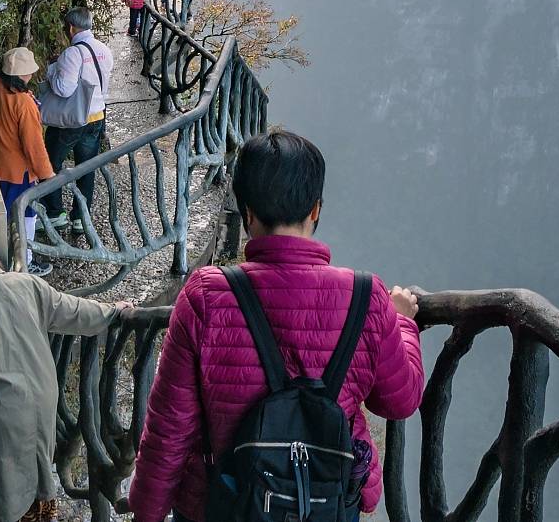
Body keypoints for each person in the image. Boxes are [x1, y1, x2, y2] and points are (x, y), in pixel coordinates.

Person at [127, 130, 425, 522]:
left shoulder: (205, 297)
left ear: (247, 212)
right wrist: (402, 321)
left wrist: (146, 512)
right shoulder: (367, 297)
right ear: (316, 209)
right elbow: (400, 400)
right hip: (322, 503)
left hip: (224, 504)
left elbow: (170, 428)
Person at [0, 233, 128, 522]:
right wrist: (114, 312)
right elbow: (75, 312)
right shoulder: (27, 284)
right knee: (38, 483)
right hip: (41, 407)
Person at [0, 49, 54, 272]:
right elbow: (34, 145)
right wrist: (48, 175)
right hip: (18, 174)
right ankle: (25, 263)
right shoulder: (24, 103)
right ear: (23, 76)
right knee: (24, 217)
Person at [38, 6, 113, 242]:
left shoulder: (72, 54)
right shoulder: (104, 49)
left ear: (70, 27)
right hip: (97, 117)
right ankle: (81, 217)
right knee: (85, 167)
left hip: (72, 121)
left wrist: (52, 71)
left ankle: (54, 213)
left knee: (50, 163)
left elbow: (64, 88)